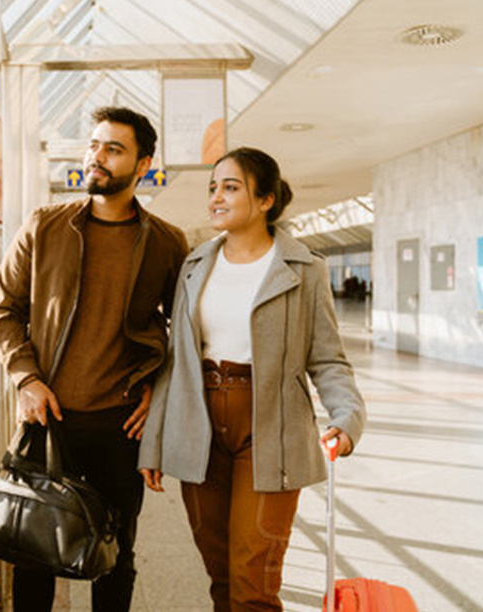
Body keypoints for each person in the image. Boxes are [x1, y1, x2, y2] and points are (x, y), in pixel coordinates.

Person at [138, 147, 366, 611]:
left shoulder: (304, 270)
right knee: (220, 574)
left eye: (231, 186)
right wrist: (154, 442)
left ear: (265, 200)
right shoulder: (195, 266)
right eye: (213, 188)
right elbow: (177, 359)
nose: (216, 197)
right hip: (198, 427)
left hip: (271, 431)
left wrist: (347, 417)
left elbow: (327, 359)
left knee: (253, 580)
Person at [0, 106, 188, 611]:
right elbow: (4, 308)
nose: (96, 156)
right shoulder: (44, 226)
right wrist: (26, 378)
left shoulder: (166, 242)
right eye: (94, 145)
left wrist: (156, 392)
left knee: (116, 555)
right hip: (47, 419)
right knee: (31, 553)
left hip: (120, 427)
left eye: (113, 149)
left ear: (143, 165)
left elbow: (183, 332)